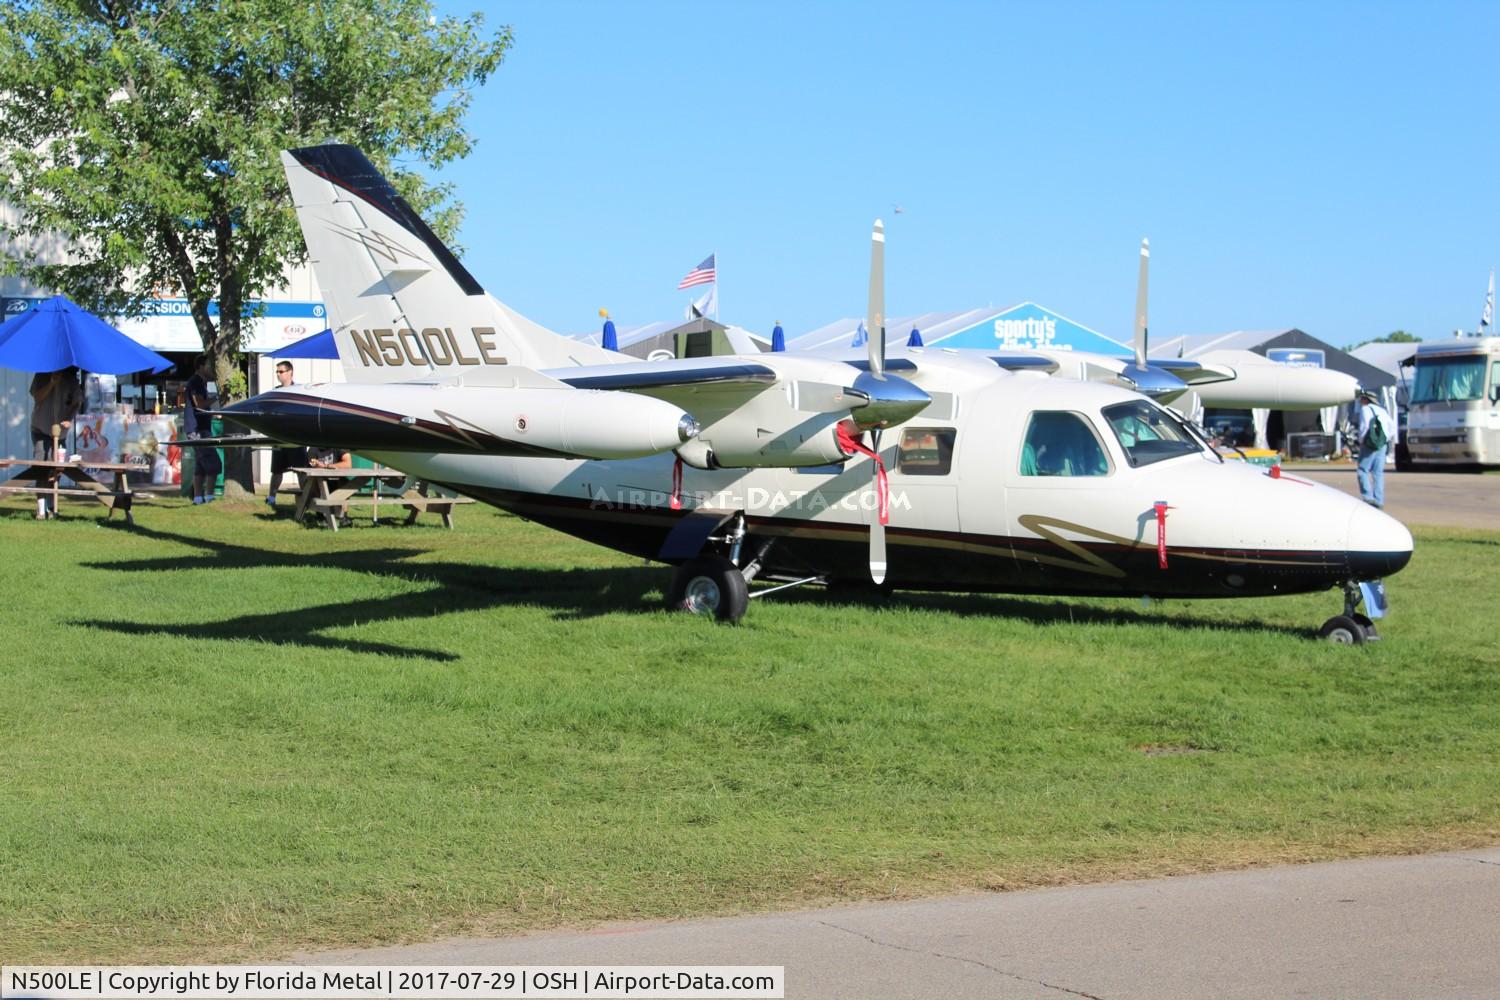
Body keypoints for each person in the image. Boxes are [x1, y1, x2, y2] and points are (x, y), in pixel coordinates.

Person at [28, 366, 83, 519]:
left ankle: (52, 506)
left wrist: (69, 418)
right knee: (41, 466)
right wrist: (52, 382)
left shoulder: (71, 378)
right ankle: (41, 510)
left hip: (60, 432)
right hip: (41, 428)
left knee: (57, 469)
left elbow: (76, 402)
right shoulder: (41, 373)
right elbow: (37, 398)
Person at [265, 360, 308, 509]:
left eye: (281, 371)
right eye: (277, 372)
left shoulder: (299, 391)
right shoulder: (275, 392)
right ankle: (271, 497)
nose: (278, 375)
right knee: (276, 471)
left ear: (290, 372)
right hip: (279, 438)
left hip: (295, 439)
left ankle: (306, 497)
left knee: (301, 470)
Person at [185, 355, 221, 504]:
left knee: (200, 465)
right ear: (200, 366)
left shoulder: (202, 383)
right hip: (197, 429)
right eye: (209, 365)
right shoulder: (196, 382)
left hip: (200, 427)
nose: (212, 369)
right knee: (214, 464)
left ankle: (198, 498)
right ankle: (209, 496)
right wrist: (216, 398)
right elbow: (199, 404)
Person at [1354, 390, 1394, 509]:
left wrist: (1361, 441)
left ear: (1366, 399)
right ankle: (1379, 500)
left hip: (1369, 443)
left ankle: (1368, 498)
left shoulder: (1365, 409)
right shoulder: (1382, 411)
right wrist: (1384, 440)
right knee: (1378, 473)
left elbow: (1365, 426)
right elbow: (1391, 427)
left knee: (1362, 470)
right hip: (1382, 444)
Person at [308, 446, 355, 524]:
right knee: (316, 481)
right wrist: (318, 466)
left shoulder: (337, 445)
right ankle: (320, 515)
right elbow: (313, 467)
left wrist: (326, 466)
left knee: (345, 483)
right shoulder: (313, 449)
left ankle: (344, 516)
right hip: (320, 480)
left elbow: (348, 464)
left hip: (337, 479)